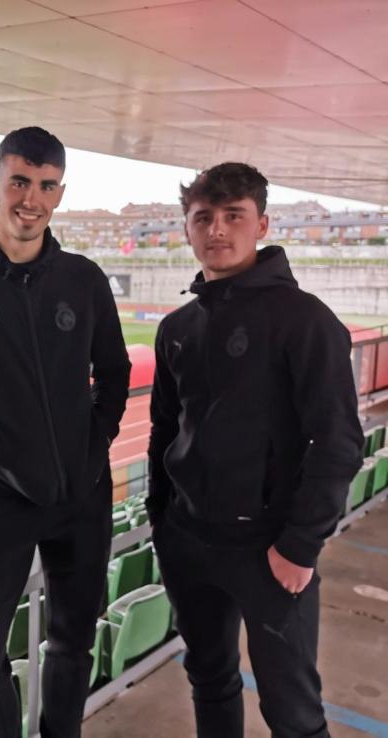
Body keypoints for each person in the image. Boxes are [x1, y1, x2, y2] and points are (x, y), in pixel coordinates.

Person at [147, 162, 364, 738]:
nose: (217, 229)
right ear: (188, 228)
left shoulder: (306, 321)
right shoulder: (177, 327)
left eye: (233, 216)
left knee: (292, 710)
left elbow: (339, 440)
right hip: (189, 542)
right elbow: (165, 429)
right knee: (210, 679)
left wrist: (299, 545)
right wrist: (162, 521)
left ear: (261, 223)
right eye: (203, 218)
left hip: (270, 549)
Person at [0, 126, 131, 738]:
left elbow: (116, 371)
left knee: (73, 641)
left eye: (46, 186)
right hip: (0, 498)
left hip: (83, 497)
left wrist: (93, 444)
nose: (32, 199)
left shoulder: (84, 278)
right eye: (20, 182)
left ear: (60, 193)